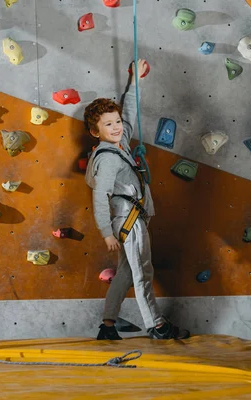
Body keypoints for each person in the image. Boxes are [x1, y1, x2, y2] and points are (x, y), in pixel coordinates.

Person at [84, 59, 189, 341]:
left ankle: (108, 325)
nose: (117, 127)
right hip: (127, 220)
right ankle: (157, 325)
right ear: (96, 131)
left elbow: (128, 113)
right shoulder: (107, 158)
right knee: (143, 271)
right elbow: (99, 195)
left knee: (127, 273)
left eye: (116, 122)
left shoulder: (119, 146)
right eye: (109, 124)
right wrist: (106, 232)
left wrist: (136, 82)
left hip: (128, 218)